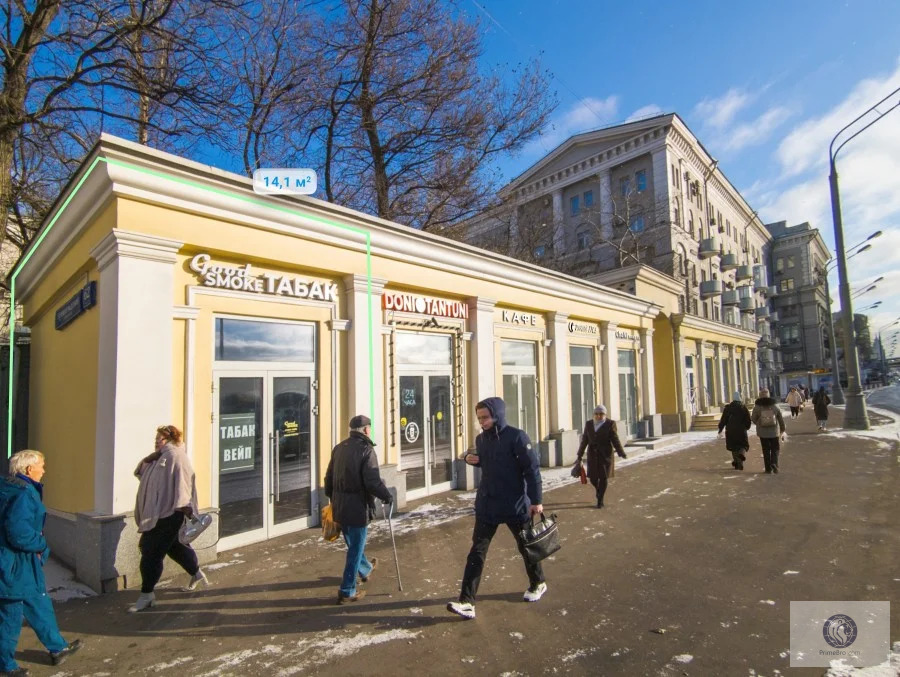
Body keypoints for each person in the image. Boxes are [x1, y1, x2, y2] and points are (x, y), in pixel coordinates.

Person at [447, 398, 545, 620]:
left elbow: (532, 469)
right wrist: (475, 460)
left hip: (515, 505)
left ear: (497, 415)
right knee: (476, 553)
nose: (482, 422)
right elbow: (490, 461)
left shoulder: (517, 437)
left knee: (526, 547)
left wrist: (536, 500)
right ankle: (467, 602)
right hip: (488, 505)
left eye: (485, 417)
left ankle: (538, 582)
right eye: (479, 418)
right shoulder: (481, 439)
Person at [1, 450, 83, 675]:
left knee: (38, 602)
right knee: (11, 614)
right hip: (15, 563)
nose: (44, 470)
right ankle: (6, 665)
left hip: (17, 563)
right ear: (29, 469)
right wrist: (41, 545)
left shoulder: (8, 485)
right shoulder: (24, 493)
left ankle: (57, 648)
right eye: (42, 466)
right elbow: (18, 532)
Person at [130, 425, 207, 612]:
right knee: (174, 547)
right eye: (156, 438)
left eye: (161, 438)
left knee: (150, 550)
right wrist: (148, 459)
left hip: (169, 513)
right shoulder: (159, 457)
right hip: (159, 513)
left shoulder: (176, 456)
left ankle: (147, 594)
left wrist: (186, 507)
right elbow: (142, 474)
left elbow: (184, 482)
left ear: (171, 439)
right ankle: (196, 573)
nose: (157, 441)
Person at [324, 415, 393, 605]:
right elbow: (372, 481)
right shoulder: (366, 450)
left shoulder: (339, 448)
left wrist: (331, 498)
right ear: (365, 430)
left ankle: (365, 569)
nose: (370, 430)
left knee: (354, 543)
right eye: (369, 427)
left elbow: (328, 478)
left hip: (340, 506)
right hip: (357, 507)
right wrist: (386, 495)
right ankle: (347, 590)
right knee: (355, 548)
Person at [574, 405, 627, 507]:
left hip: (605, 455)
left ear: (605, 414)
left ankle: (600, 500)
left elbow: (615, 439)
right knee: (593, 478)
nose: (598, 416)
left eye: (601, 414)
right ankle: (598, 490)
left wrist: (621, 452)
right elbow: (585, 440)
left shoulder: (610, 424)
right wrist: (579, 454)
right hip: (592, 455)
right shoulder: (589, 424)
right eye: (596, 414)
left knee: (603, 478)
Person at [751, 389, 786, 474]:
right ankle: (774, 463)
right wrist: (782, 428)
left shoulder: (757, 406)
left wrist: (759, 423)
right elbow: (780, 417)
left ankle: (768, 469)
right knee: (775, 449)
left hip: (763, 433)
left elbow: (753, 418)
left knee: (765, 450)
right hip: (774, 431)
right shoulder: (774, 405)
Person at [718, 391, 752, 470]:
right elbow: (748, 419)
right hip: (741, 430)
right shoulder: (743, 407)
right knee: (743, 445)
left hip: (730, 430)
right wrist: (747, 427)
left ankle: (737, 462)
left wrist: (720, 428)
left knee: (733, 446)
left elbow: (723, 419)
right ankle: (741, 455)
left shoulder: (728, 408)